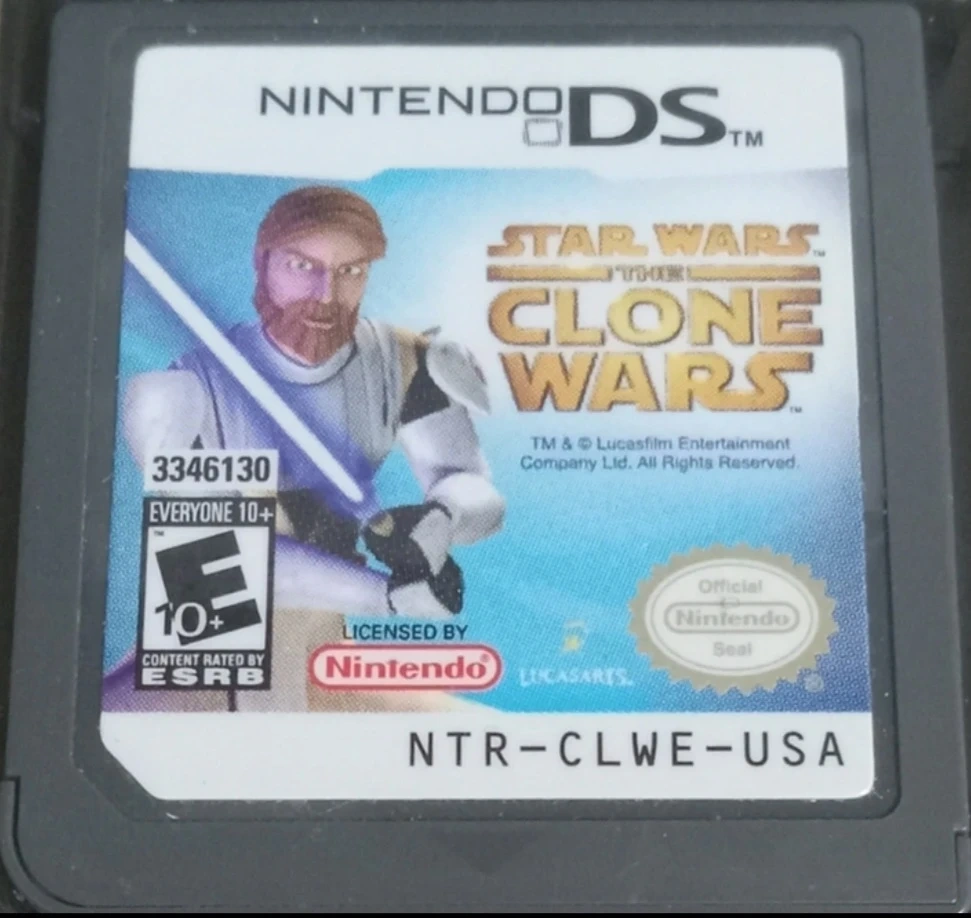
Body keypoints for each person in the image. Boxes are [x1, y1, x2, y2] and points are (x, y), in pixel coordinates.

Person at [118, 186, 505, 712]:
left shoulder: (404, 361)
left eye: (351, 271)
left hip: (322, 651)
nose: (326, 294)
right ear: (262, 263)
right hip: (205, 656)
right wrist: (387, 597)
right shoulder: (180, 394)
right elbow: (215, 560)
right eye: (303, 266)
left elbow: (474, 488)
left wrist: (442, 519)